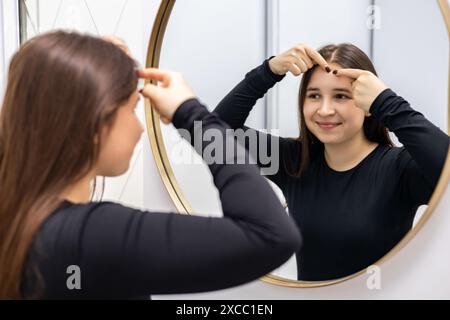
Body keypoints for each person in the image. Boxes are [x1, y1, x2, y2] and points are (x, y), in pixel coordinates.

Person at [0, 30, 302, 299]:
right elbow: (271, 235)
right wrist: (191, 114)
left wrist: (85, 70)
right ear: (94, 123)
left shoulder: (20, 219)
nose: (140, 128)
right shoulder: (91, 237)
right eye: (132, 110)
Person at [214, 43, 450, 281]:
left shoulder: (400, 169)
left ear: (367, 105)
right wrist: (269, 71)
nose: (325, 110)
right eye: (314, 95)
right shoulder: (295, 162)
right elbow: (210, 135)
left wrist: (386, 103)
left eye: (341, 96)